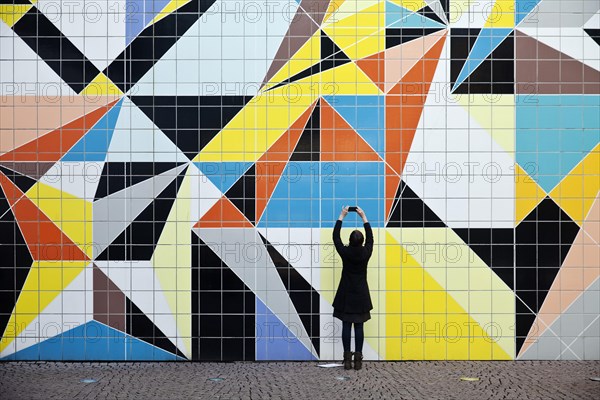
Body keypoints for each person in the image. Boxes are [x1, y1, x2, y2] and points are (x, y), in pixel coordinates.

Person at [332, 205, 374, 371]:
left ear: (349, 241)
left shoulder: (345, 252)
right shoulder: (366, 253)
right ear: (362, 241)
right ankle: (358, 360)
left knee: (346, 326)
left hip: (346, 294)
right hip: (361, 295)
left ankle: (347, 360)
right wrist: (364, 217)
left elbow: (335, 237)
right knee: (359, 326)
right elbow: (371, 238)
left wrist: (341, 216)